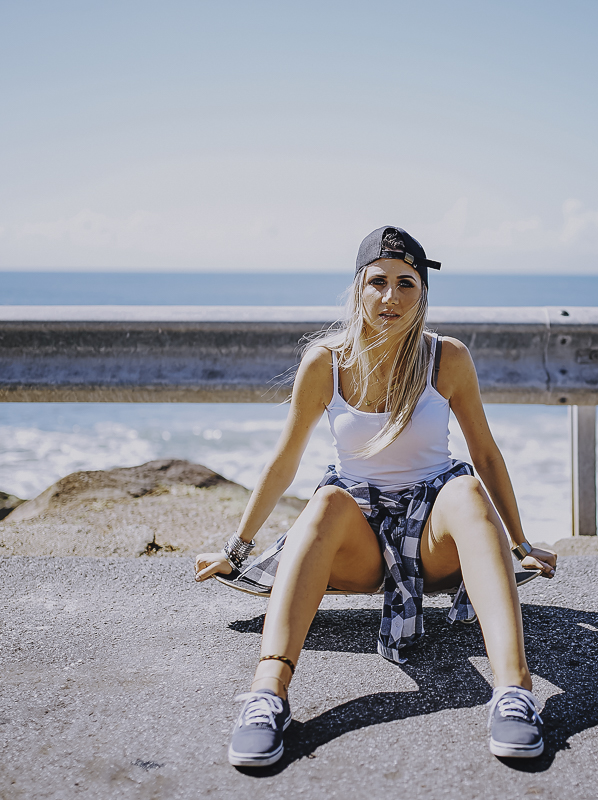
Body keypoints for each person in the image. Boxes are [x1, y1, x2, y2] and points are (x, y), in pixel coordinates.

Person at [194, 225, 559, 767]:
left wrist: (523, 541)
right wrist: (237, 549)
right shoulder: (327, 362)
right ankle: (268, 695)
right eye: (379, 282)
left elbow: (485, 452)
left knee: (466, 489)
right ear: (358, 288)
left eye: (406, 283)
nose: (391, 297)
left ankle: (514, 693)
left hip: (436, 542)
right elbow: (284, 460)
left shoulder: (447, 358)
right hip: (358, 548)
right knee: (325, 502)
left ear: (423, 293)